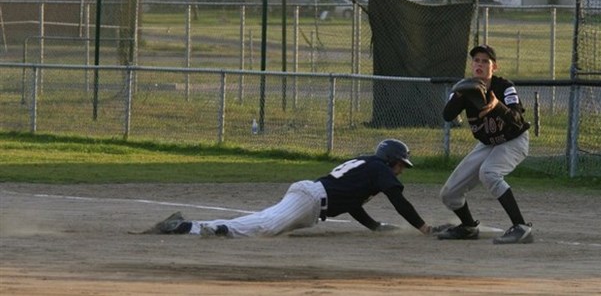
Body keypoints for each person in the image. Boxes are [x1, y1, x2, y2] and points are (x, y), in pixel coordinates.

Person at [141, 139, 443, 238]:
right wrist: (424, 227)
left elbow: (352, 203)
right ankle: (191, 227)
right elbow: (399, 200)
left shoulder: (369, 168)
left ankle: (202, 227)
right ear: (391, 160)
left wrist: (375, 226)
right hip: (311, 198)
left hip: (311, 199)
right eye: (401, 164)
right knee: (265, 226)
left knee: (265, 223)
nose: (402, 169)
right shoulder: (379, 169)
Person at [437, 44, 533, 244]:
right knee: (450, 193)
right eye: (476, 60)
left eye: (485, 61)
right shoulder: (465, 88)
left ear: (494, 67)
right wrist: (461, 95)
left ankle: (521, 227)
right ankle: (469, 227)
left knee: (489, 172)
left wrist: (497, 106)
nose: (479, 64)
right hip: (488, 144)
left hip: (514, 140)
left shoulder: (504, 86)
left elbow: (516, 120)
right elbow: (447, 115)